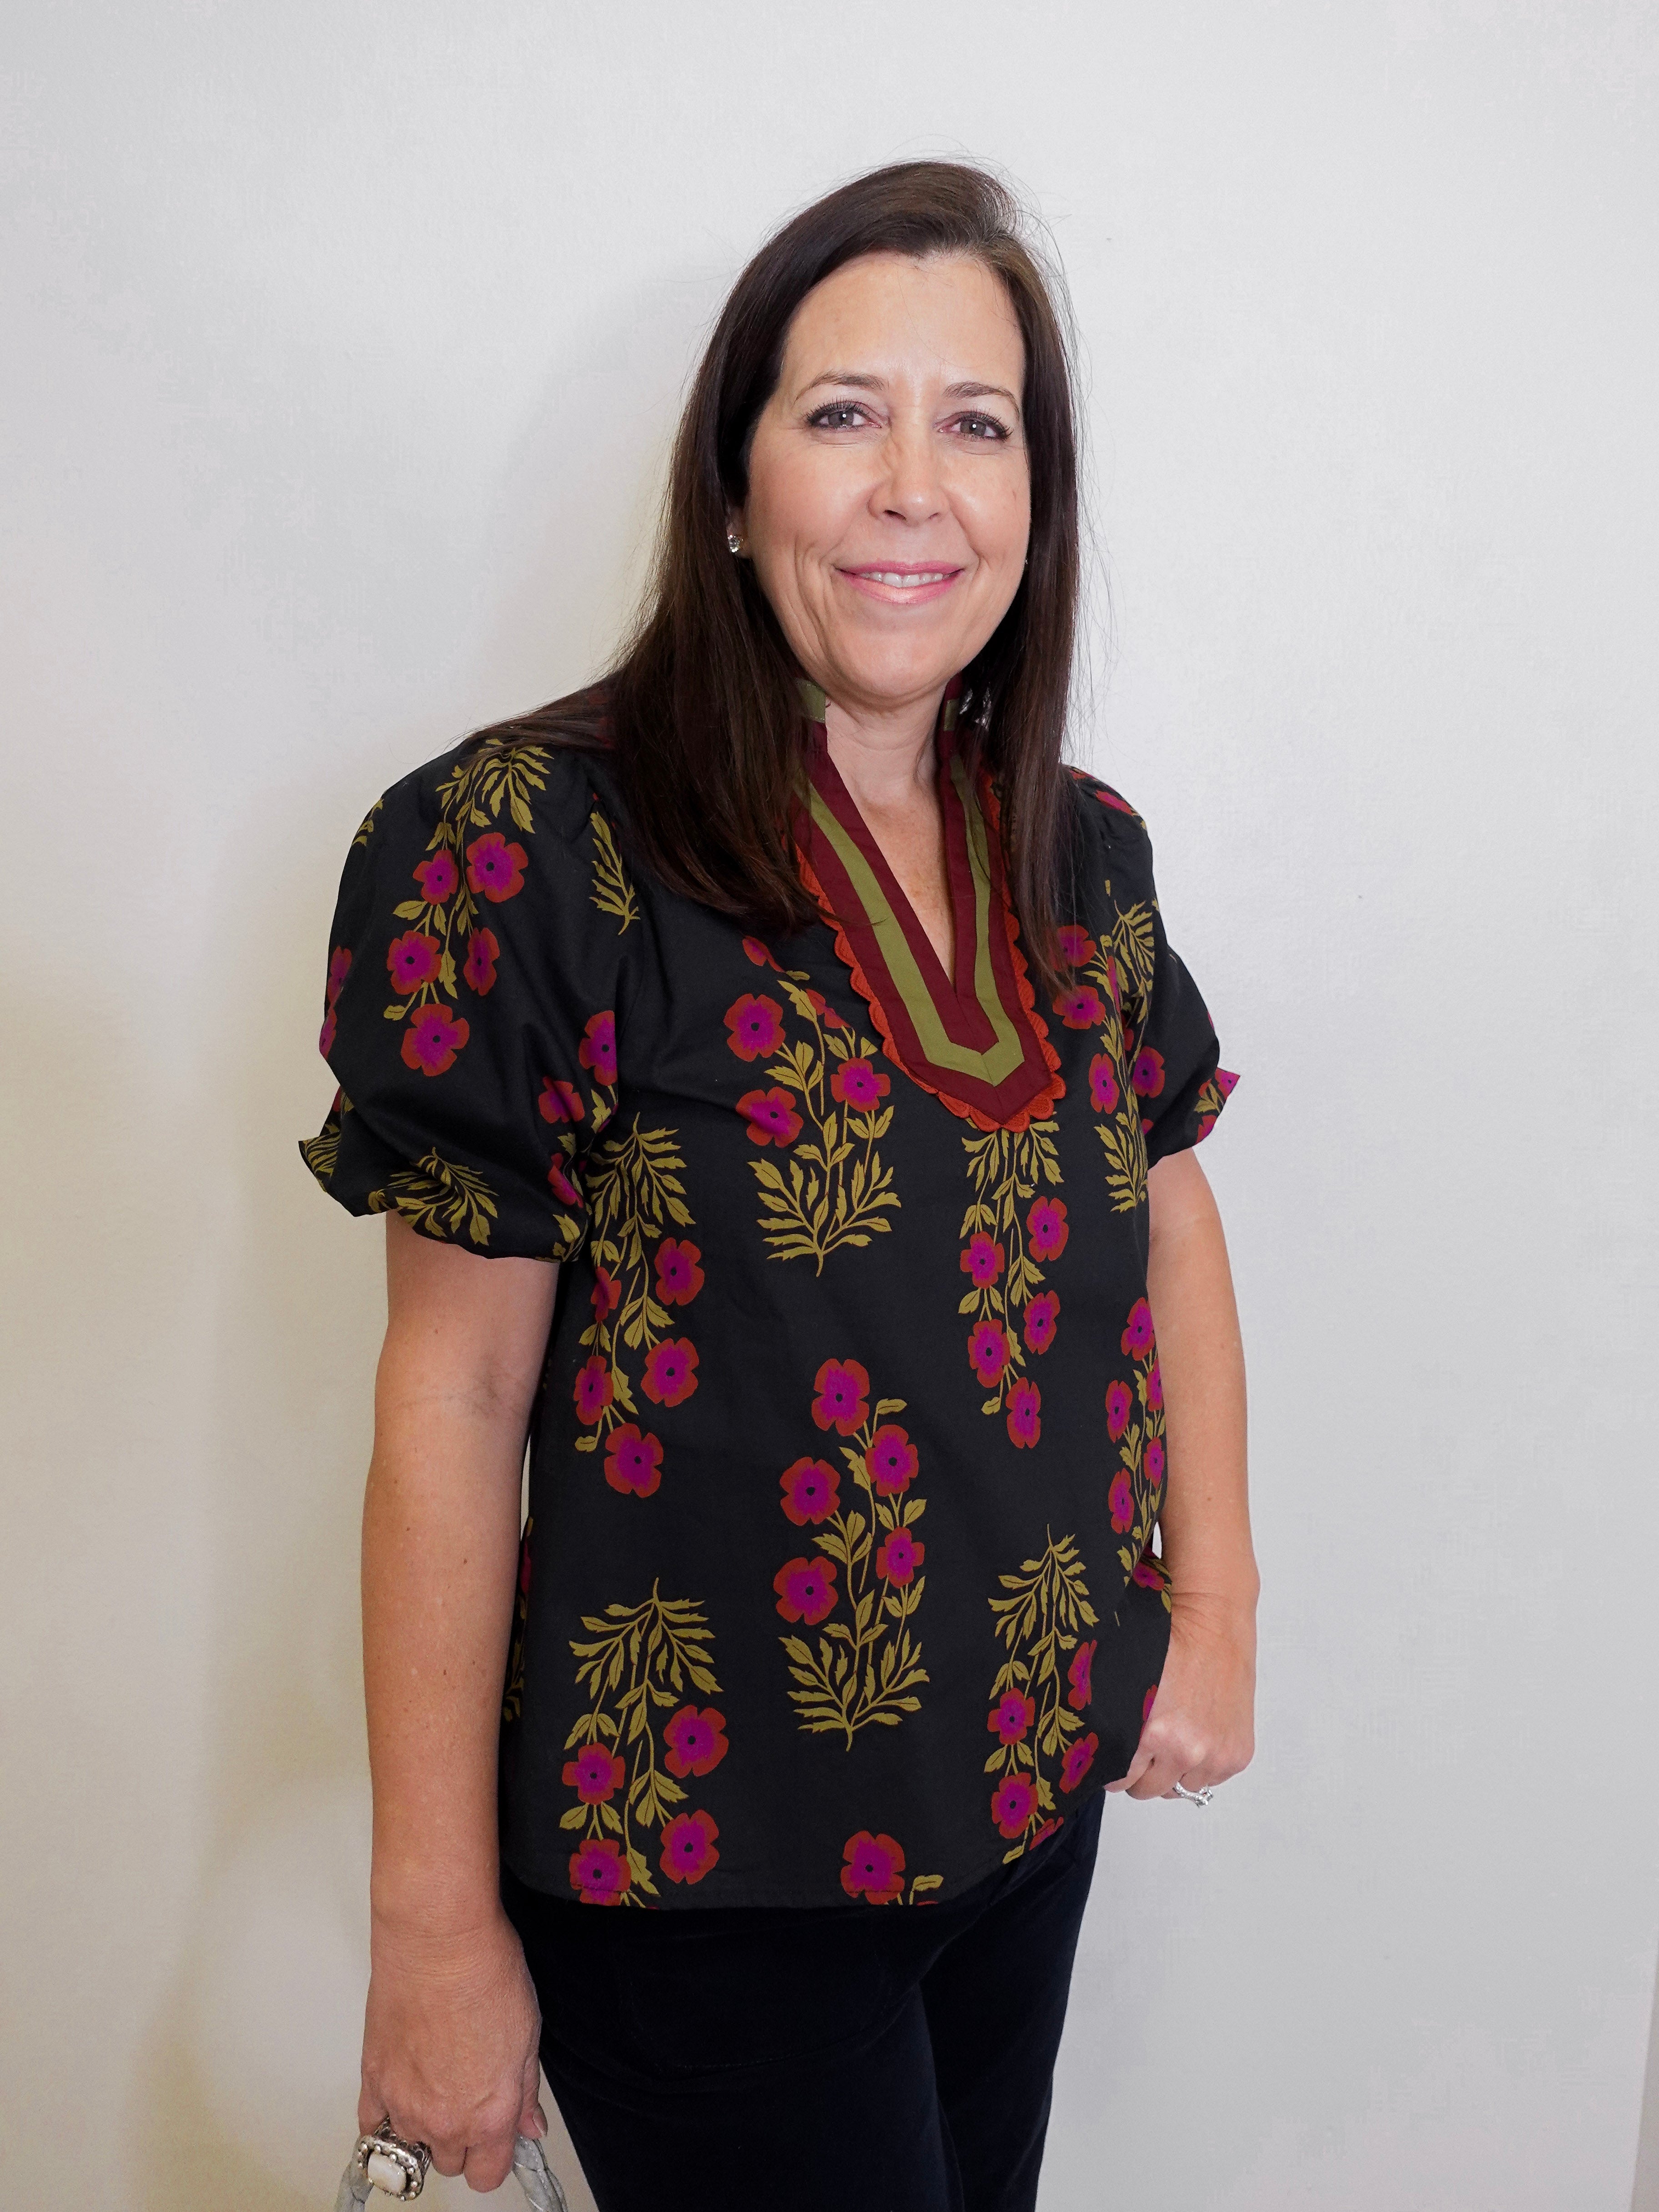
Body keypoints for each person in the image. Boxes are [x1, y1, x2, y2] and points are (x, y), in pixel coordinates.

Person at [302, 158, 1257, 2212]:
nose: (916, 484)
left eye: (976, 423)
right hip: (706, 1874)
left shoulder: (1080, 856)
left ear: (1035, 498)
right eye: (844, 414)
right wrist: (433, 1931)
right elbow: (452, 1402)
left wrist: (1217, 1603)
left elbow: (1165, 1195)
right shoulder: (527, 850)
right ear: (733, 490)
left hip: (1030, 1797)